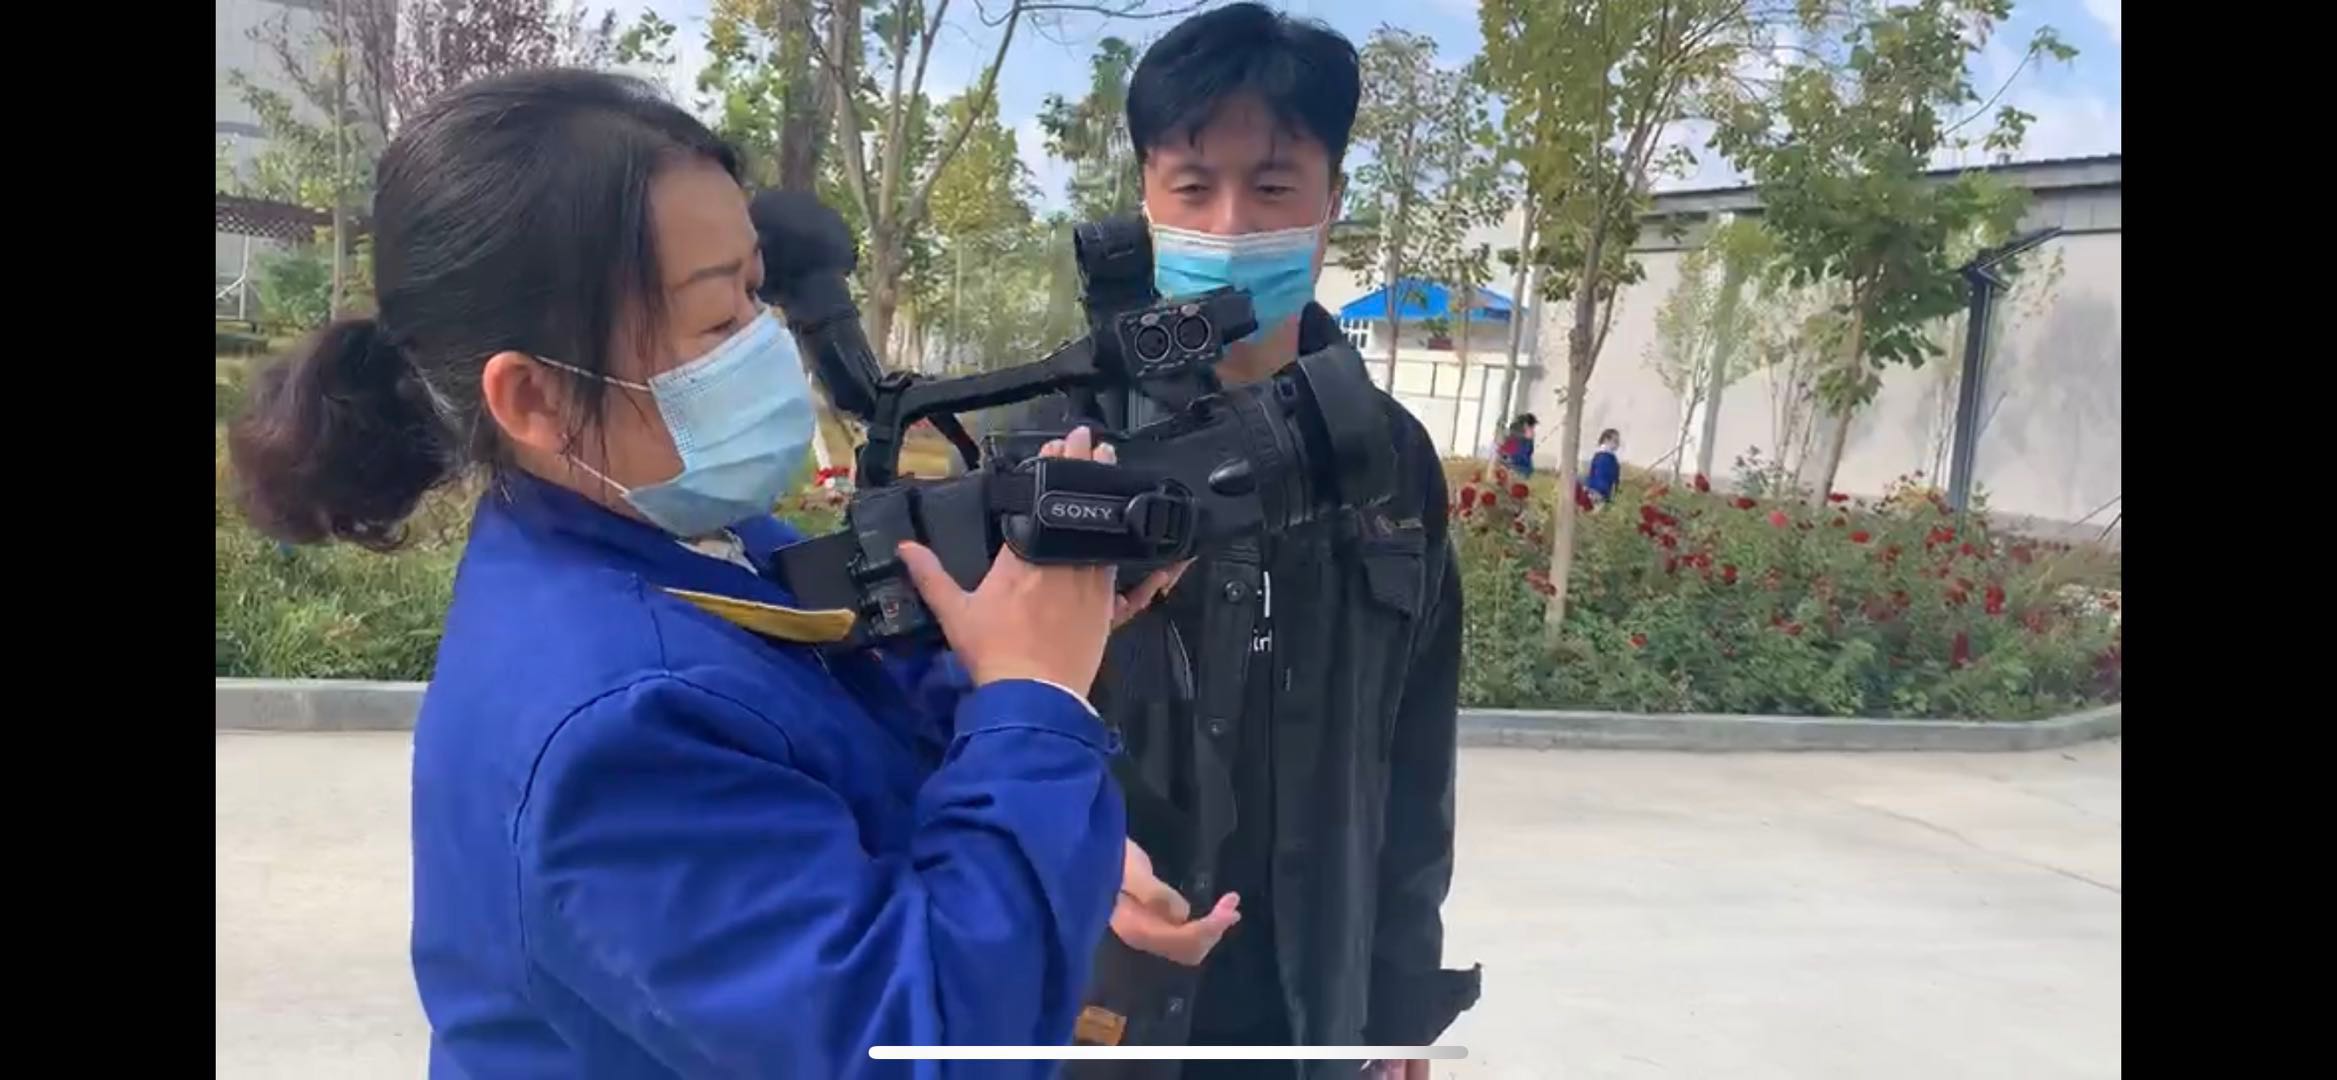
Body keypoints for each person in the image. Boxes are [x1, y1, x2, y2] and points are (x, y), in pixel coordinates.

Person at [227, 69, 1185, 1077]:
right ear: (536, 400)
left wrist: (1029, 710)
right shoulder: (614, 727)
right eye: (718, 322)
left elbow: (854, 736)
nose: (766, 345)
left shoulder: (685, 540)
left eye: (756, 292)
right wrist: (1034, 704)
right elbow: (923, 1043)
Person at [1022, 7, 1480, 1078]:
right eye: (1193, 187)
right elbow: (960, 722)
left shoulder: (1389, 458)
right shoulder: (1060, 442)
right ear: (1146, 197)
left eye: (1273, 187)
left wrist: (1399, 1004)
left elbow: (1415, 761)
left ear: (1330, 202)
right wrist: (1075, 857)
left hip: (1310, 1008)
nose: (1230, 224)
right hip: (1100, 1008)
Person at [1586, 428, 1623, 507]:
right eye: (1615, 441)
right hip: (1599, 493)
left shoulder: (1608, 457)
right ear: (1606, 440)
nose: (1618, 444)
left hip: (1602, 492)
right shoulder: (1604, 457)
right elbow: (1601, 476)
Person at [1497, 413, 1538, 478]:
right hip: (1515, 468)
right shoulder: (1515, 439)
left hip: (1520, 468)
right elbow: (1503, 454)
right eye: (1532, 427)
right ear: (1526, 425)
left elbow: (1530, 451)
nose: (1533, 430)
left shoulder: (1527, 440)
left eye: (1533, 427)